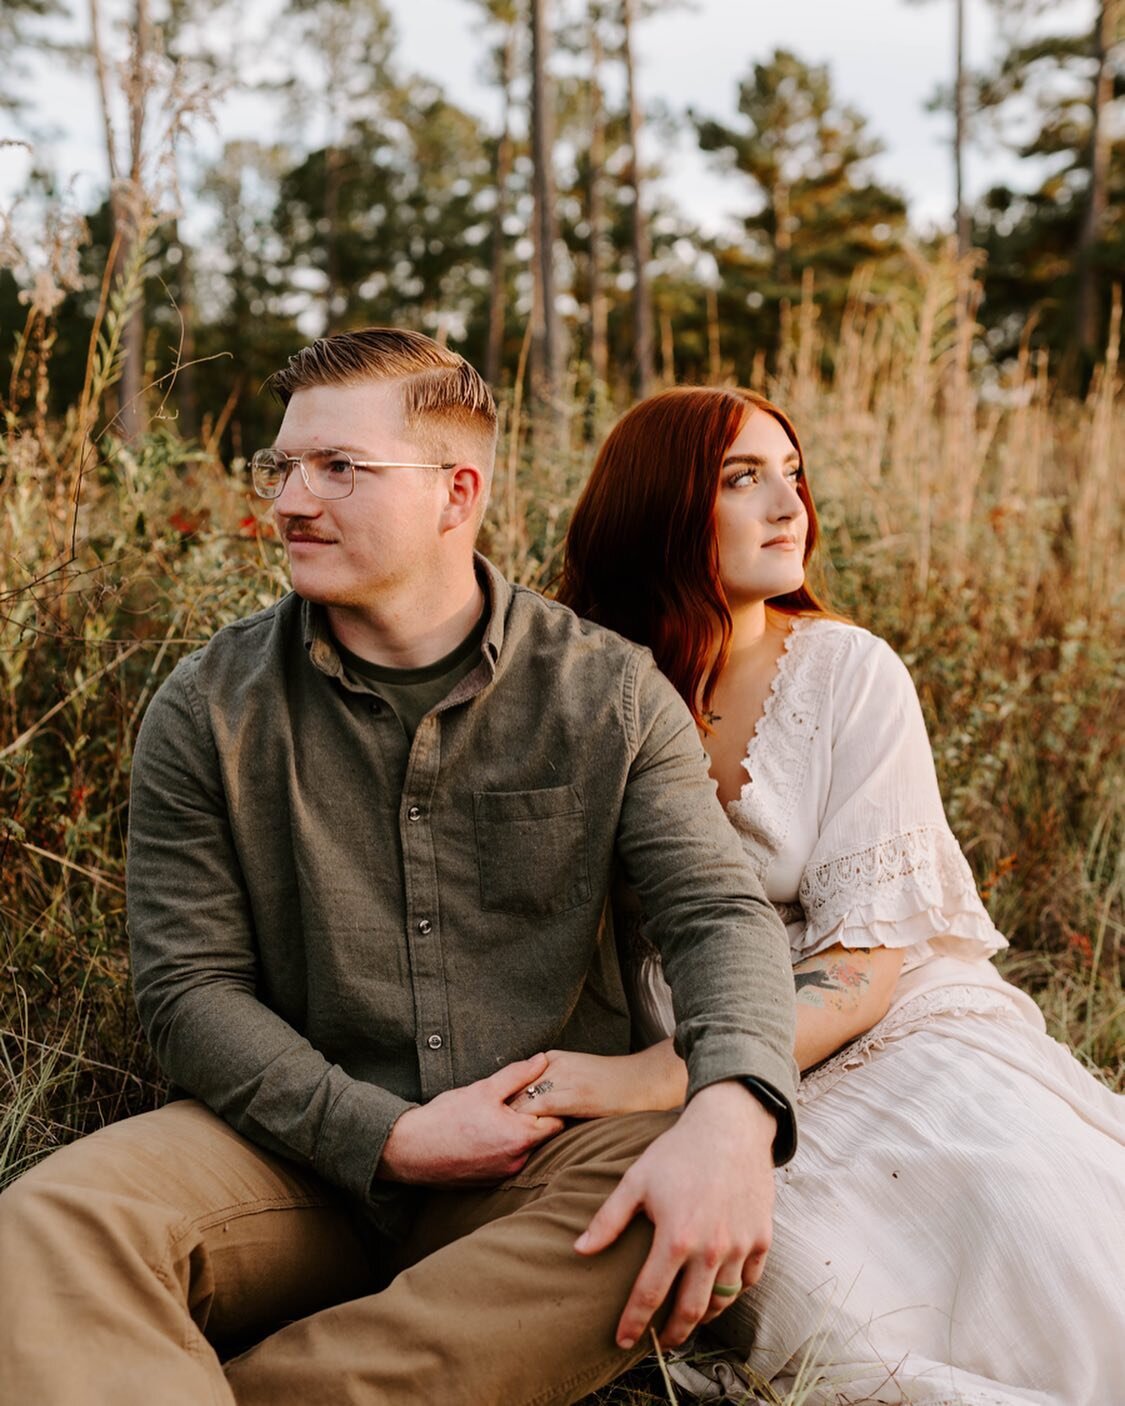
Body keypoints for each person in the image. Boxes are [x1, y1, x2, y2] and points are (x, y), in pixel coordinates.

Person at [0, 334, 801, 1406]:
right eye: (279, 467)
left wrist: (737, 1107)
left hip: (543, 1152)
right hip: (295, 1149)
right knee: (51, 1222)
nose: (290, 499)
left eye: (339, 468)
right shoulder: (208, 706)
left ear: (454, 492)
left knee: (664, 1202)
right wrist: (389, 1133)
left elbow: (716, 911)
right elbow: (189, 991)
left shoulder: (608, 690)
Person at [515, 385, 1125, 1405]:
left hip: (885, 1033)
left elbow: (864, 966)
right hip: (703, 1067)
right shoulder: (572, 686)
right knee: (810, 1276)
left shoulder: (847, 671)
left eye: (793, 474)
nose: (790, 503)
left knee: (1020, 1213)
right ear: (656, 505)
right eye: (742, 477)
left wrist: (650, 1079)